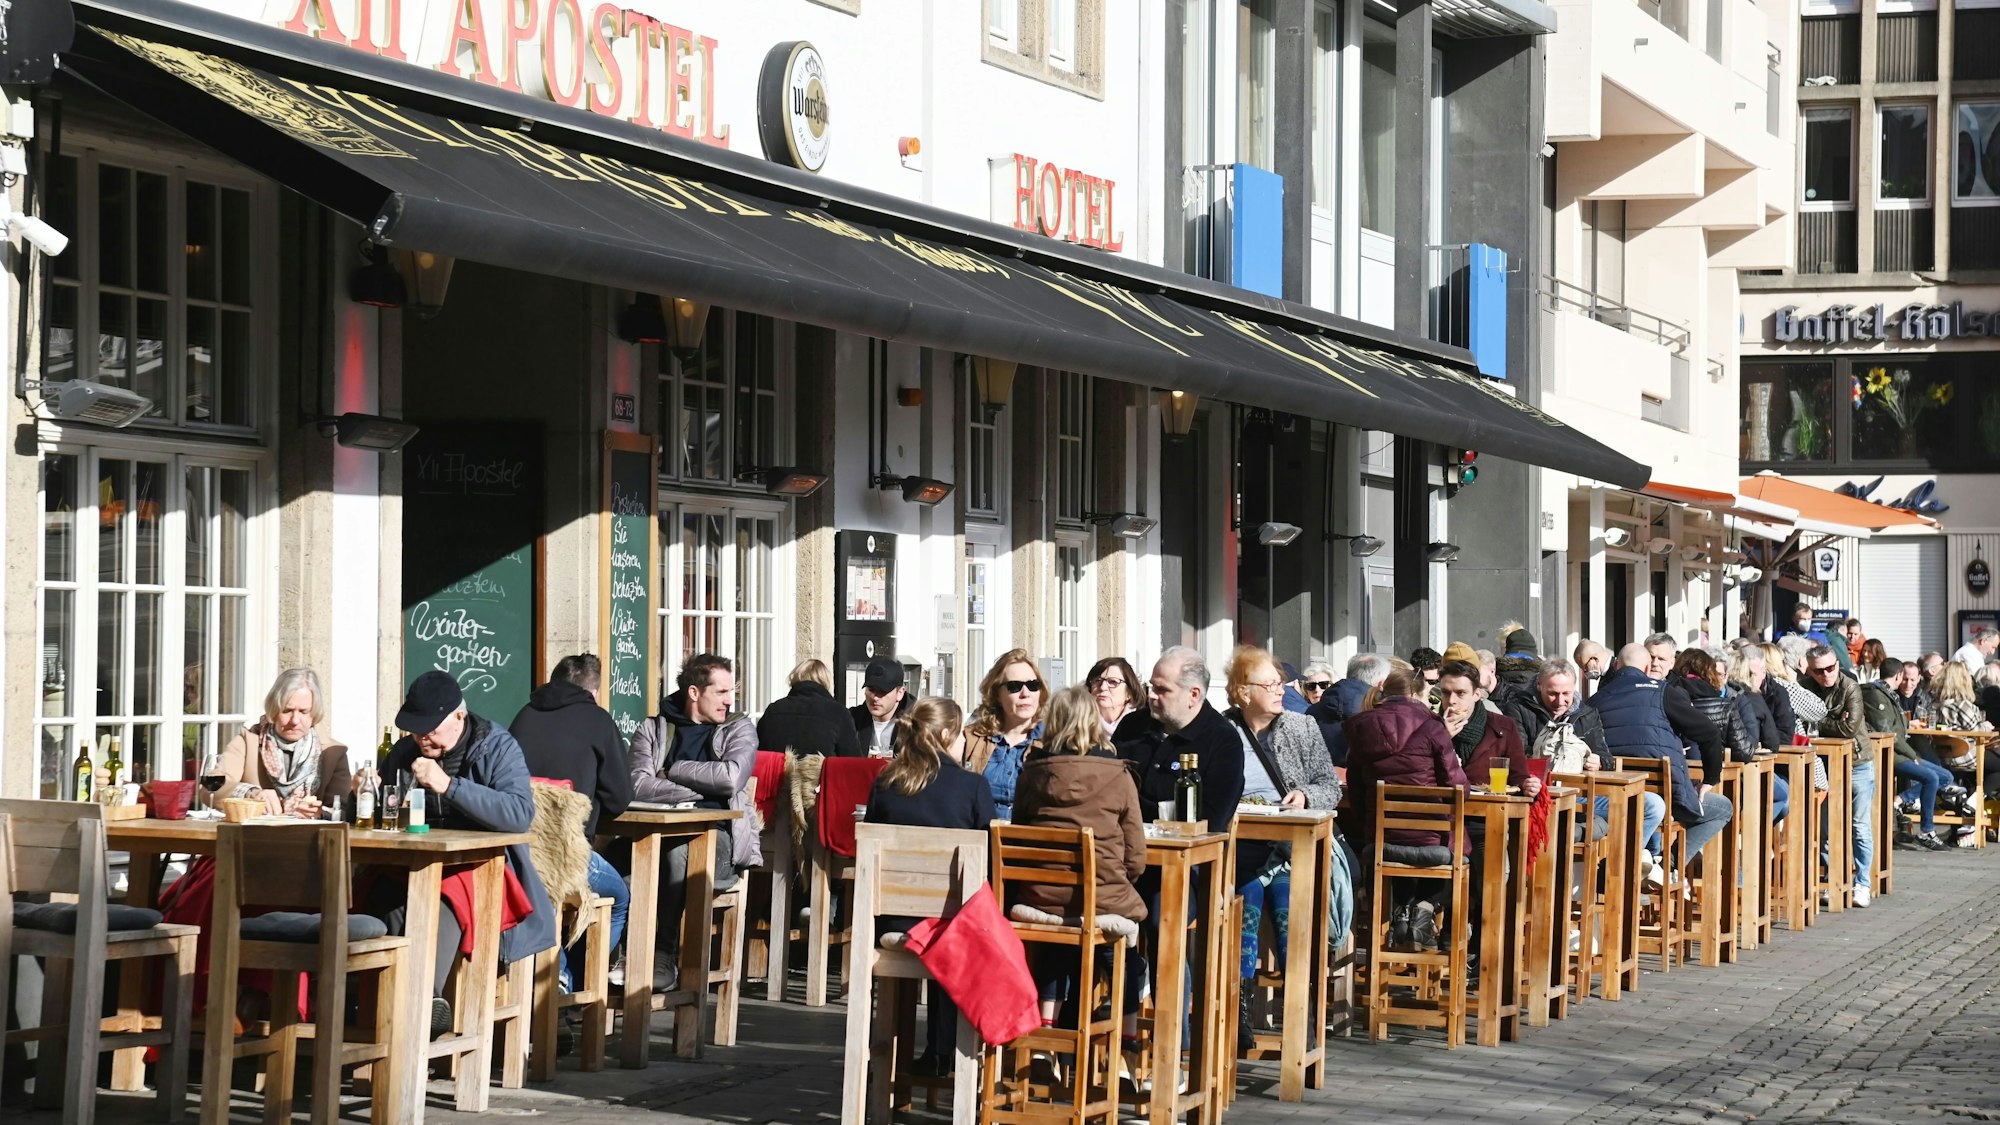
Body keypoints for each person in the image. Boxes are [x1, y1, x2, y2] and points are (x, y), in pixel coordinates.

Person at [380, 671, 555, 1033]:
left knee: (449, 892)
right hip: (414, 864)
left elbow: (519, 815)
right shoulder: (406, 752)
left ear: (459, 716)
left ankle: (424, 1002)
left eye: (430, 728)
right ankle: (375, 1001)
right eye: (415, 729)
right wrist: (364, 797)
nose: (421, 736)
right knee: (384, 891)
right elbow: (386, 807)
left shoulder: (496, 746)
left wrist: (448, 785)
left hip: (486, 871)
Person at [865, 697, 997, 1075]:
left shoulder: (886, 782)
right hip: (950, 928)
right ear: (945, 735)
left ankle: (920, 1054)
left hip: (891, 923)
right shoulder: (972, 787)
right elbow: (986, 858)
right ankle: (954, 1055)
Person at [1220, 645, 1345, 1044]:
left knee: (1291, 916)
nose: (1280, 690)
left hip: (1291, 852)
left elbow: (1330, 787)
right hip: (1242, 853)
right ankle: (1240, 1014)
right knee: (1246, 908)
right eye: (1270, 683)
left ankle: (1300, 1016)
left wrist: (1305, 795)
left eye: (1279, 682)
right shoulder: (1224, 733)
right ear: (1243, 691)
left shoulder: (1301, 726)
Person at [1011, 686, 1148, 1042]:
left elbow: (1021, 835)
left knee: (1058, 943)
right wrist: (1120, 878)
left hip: (1039, 898)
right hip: (1101, 898)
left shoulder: (1032, 773)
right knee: (1122, 950)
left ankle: (1046, 1038)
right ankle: (1127, 1042)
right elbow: (1136, 855)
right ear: (1095, 722)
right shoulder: (1118, 774)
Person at [629, 654, 763, 987]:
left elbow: (731, 778)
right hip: (656, 833)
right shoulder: (654, 728)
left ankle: (664, 956)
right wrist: (693, 790)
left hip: (719, 841)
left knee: (677, 854)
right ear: (694, 692)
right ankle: (625, 955)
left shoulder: (740, 727)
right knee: (620, 863)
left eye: (732, 691)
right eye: (721, 692)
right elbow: (636, 784)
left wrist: (673, 770)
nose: (730, 700)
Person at [509, 654, 635, 993]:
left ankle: (557, 980)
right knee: (621, 897)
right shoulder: (597, 720)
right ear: (593, 691)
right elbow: (620, 798)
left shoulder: (523, 715)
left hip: (517, 855)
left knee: (560, 900)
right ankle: (569, 985)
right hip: (567, 857)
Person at [1584, 644, 1734, 884]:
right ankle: (1666, 864)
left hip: (1614, 796)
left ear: (1616, 666)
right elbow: (1709, 733)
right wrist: (1710, 779)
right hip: (1667, 795)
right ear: (1646, 668)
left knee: (1649, 809)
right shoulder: (1663, 692)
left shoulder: (1595, 699)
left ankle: (1648, 861)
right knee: (1723, 808)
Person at [1342, 667, 1465, 952]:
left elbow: (1356, 786)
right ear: (1416, 694)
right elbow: (1458, 787)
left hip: (1382, 842)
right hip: (1431, 841)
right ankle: (1423, 907)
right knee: (1463, 853)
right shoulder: (1433, 726)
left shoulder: (1362, 726)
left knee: (1405, 857)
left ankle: (1401, 911)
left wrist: (1369, 827)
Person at [1113, 646, 1245, 831]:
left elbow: (1210, 820)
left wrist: (1136, 809)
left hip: (1186, 854)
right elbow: (1106, 791)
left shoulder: (1223, 741)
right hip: (1122, 847)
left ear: (1193, 695)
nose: (1151, 695)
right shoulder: (1132, 726)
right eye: (1151, 686)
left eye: (1162, 690)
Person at [214, 667, 352, 817]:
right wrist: (252, 793)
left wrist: (318, 813)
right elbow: (212, 788)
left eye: (303, 712)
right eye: (287, 711)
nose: (294, 721)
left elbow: (344, 811)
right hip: (254, 837)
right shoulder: (248, 742)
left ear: (314, 713)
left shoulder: (334, 752)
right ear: (273, 709)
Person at [1800, 643, 1876, 907]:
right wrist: (1833, 720)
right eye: (1820, 671)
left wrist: (1818, 721)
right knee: (1826, 826)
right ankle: (1831, 879)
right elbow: (1801, 723)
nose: (1827, 675)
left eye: (1831, 668)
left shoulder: (1850, 686)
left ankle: (1863, 883)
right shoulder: (1805, 686)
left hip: (1857, 761)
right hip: (1823, 763)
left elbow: (1849, 729)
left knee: (1859, 825)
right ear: (1810, 671)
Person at [1861, 658, 1951, 851]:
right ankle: (1926, 832)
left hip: (1900, 750)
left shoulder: (1886, 693)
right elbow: (1889, 733)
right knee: (1931, 778)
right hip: (1889, 752)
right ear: (1899, 675)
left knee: (1946, 777)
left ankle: (1899, 801)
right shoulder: (1876, 695)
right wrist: (1912, 756)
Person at [965, 649, 1048, 820]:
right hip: (981, 837)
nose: (1025, 693)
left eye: (1033, 685)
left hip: (1030, 840)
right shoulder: (971, 738)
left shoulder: (1053, 742)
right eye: (1015, 686)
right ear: (996, 694)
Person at [757, 658, 864, 758]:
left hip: (780, 777)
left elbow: (760, 755)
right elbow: (852, 762)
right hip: (820, 777)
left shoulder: (773, 710)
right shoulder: (838, 713)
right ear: (825, 682)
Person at [1668, 649, 1752, 768]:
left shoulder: (1666, 696)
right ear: (1710, 671)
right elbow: (1744, 753)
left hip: (1674, 769)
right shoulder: (1724, 705)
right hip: (1713, 773)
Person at [1313, 653, 1389, 766]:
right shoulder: (1382, 714)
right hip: (1364, 780)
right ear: (1381, 683)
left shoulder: (1312, 711)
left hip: (1321, 778)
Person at [850, 657, 915, 756]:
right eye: (871, 689)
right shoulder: (852, 719)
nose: (875, 697)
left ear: (900, 693)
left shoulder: (917, 724)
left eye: (883, 691)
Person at [1086, 656, 1143, 737]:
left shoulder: (1142, 729)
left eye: (1113, 682)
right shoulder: (1078, 726)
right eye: (1097, 680)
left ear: (1129, 693)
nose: (1103, 687)